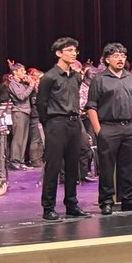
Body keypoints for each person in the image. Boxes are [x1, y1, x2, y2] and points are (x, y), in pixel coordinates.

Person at [84, 42, 132, 215]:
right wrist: (98, 131)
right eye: (116, 56)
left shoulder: (131, 78)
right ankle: (106, 201)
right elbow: (91, 106)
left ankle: (129, 200)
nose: (120, 59)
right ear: (107, 59)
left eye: (123, 55)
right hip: (108, 128)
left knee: (129, 167)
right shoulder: (99, 79)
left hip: (129, 127)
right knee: (107, 168)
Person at [37, 37, 91, 220]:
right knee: (53, 166)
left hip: (74, 122)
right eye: (69, 50)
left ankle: (71, 204)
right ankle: (48, 207)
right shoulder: (49, 77)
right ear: (59, 53)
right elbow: (41, 104)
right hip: (56, 123)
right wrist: (49, 124)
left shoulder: (76, 76)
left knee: (72, 166)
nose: (73, 53)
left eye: (75, 50)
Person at [6, 63, 35, 170]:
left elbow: (31, 94)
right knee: (18, 138)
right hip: (19, 112)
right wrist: (31, 86)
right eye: (22, 71)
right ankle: (14, 161)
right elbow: (21, 96)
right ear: (15, 72)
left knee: (24, 138)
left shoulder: (22, 83)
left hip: (26, 111)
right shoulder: (13, 84)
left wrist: (31, 84)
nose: (24, 73)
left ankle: (21, 161)